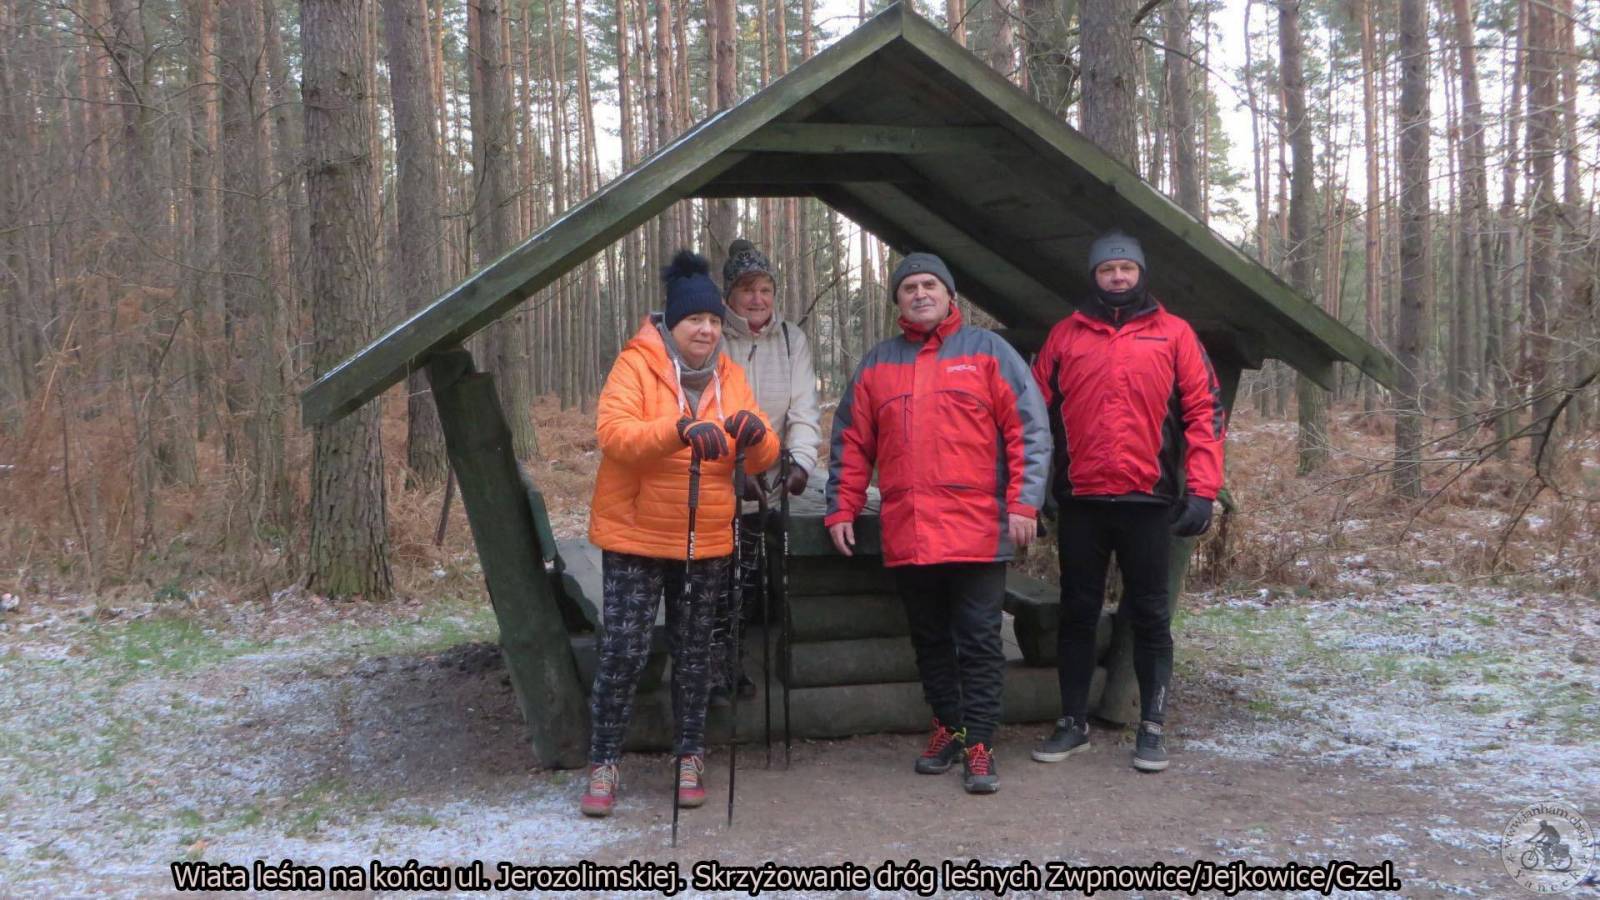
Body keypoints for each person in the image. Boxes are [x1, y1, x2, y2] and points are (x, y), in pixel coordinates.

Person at [825, 252, 1050, 795]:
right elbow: (851, 441)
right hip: (912, 528)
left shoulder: (988, 352)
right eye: (909, 288)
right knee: (929, 638)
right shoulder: (878, 363)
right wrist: (842, 506)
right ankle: (948, 727)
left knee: (978, 640)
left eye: (930, 285)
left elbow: (1028, 428)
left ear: (950, 295)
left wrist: (1024, 502)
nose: (920, 294)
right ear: (898, 301)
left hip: (978, 529)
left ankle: (981, 742)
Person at [580, 250, 779, 817]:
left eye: (714, 320)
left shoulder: (729, 376)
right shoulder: (636, 366)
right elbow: (615, 435)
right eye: (695, 319)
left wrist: (756, 436)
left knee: (695, 655)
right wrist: (678, 429)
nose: (706, 329)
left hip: (705, 536)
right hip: (635, 534)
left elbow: (763, 454)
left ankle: (690, 754)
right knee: (625, 652)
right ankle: (603, 761)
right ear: (671, 322)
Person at [1028, 230, 1226, 774]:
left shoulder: (1175, 334)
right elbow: (1031, 417)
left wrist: (1202, 490)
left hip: (1149, 500)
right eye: (1107, 269)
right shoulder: (1065, 335)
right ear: (1094, 275)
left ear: (1141, 274)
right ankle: (1072, 723)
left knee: (1151, 614)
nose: (1117, 277)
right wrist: (1029, 492)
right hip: (1082, 499)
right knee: (1077, 612)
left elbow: (1205, 413)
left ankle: (1152, 726)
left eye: (1126, 269)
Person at [710, 238, 822, 704]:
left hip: (768, 481)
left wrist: (801, 461)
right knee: (714, 578)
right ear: (729, 294)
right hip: (715, 481)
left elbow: (803, 409)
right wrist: (730, 467)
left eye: (765, 289)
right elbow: (702, 409)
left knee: (749, 577)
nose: (757, 299)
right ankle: (713, 668)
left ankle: (737, 660)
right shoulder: (711, 336)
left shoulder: (792, 340)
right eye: (746, 289)